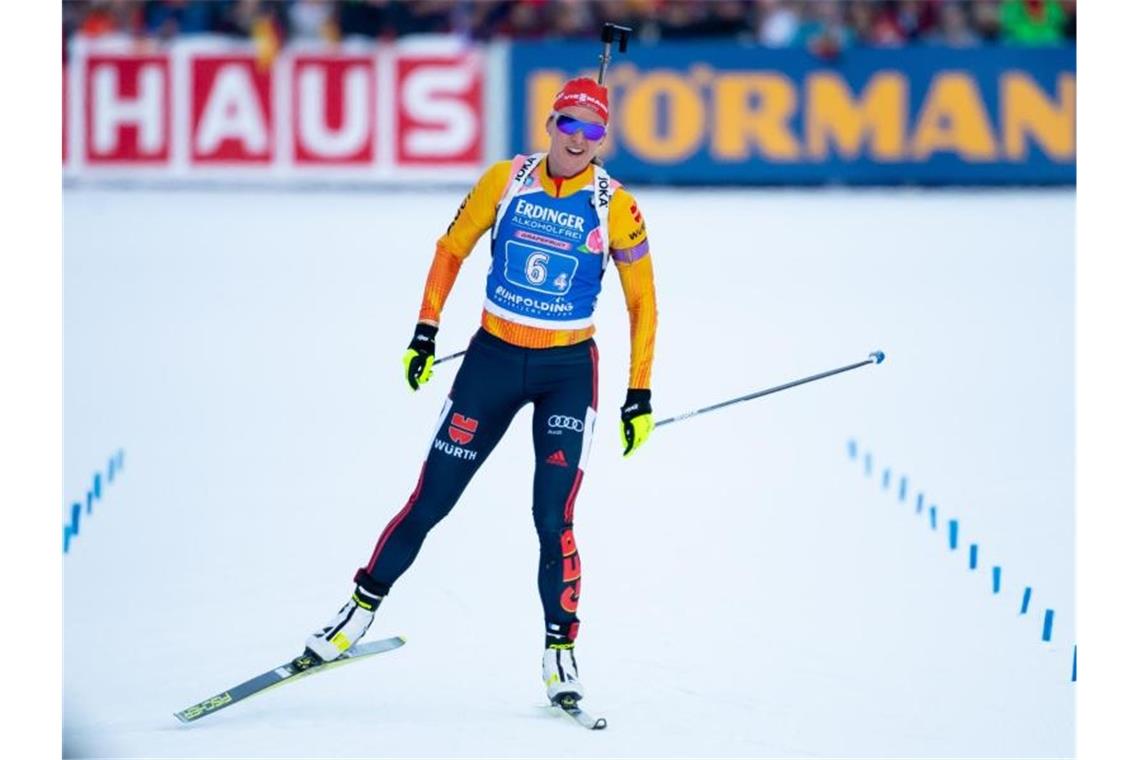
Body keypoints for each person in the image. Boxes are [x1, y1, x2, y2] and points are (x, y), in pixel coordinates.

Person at [300, 77, 658, 706]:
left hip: (567, 372)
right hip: (491, 362)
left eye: (592, 131)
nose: (578, 140)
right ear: (549, 124)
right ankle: (357, 614)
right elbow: (451, 249)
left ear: (604, 140)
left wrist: (639, 393)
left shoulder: (615, 204)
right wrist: (424, 331)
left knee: (553, 518)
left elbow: (642, 302)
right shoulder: (507, 179)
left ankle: (560, 653)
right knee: (430, 500)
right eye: (568, 125)